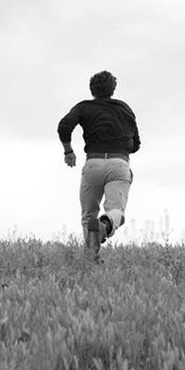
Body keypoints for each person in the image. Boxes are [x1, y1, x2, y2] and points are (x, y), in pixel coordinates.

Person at [57, 70, 141, 259]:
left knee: (88, 214)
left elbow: (64, 126)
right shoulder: (125, 109)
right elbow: (135, 144)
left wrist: (68, 151)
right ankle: (103, 227)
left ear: (91, 89)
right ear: (113, 89)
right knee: (115, 212)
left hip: (93, 164)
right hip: (119, 165)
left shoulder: (83, 107)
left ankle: (91, 256)